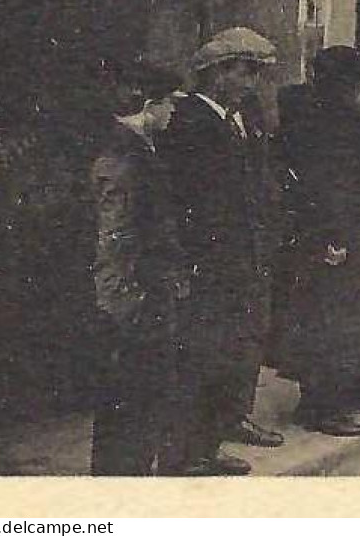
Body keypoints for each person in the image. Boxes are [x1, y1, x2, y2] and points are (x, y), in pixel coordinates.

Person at [159, 28, 282, 476]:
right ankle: (188, 455)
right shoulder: (191, 122)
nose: (252, 82)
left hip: (241, 257)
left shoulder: (239, 118)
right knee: (201, 358)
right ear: (216, 75)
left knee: (231, 352)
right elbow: (189, 202)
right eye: (245, 72)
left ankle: (209, 443)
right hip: (209, 262)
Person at [278, 47, 360, 438]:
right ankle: (321, 405)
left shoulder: (350, 120)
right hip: (335, 236)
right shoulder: (329, 129)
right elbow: (325, 189)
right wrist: (331, 238)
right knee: (328, 319)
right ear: (348, 88)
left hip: (355, 230)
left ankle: (342, 394)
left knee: (349, 316)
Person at [89, 59, 188, 475]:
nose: (173, 114)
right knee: (131, 393)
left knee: (143, 394)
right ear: (150, 106)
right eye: (169, 105)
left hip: (147, 294)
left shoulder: (140, 150)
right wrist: (123, 304)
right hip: (135, 300)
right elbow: (113, 236)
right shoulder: (124, 158)